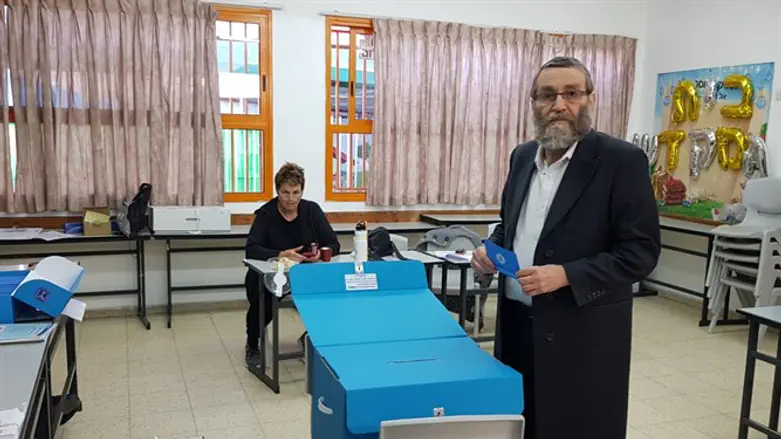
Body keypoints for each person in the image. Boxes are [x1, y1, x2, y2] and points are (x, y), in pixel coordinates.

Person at [471, 57, 661, 439]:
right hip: (517, 326)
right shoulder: (522, 156)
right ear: (533, 103)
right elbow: (511, 226)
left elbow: (641, 252)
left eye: (571, 93)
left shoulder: (620, 161)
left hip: (583, 335)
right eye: (547, 95)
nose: (559, 104)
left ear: (589, 99)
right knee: (522, 426)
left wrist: (567, 275)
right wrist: (490, 250)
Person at [244, 163, 341, 364]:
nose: (290, 198)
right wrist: (281, 254)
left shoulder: (311, 211)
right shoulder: (266, 214)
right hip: (272, 273)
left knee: (332, 297)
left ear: (302, 191)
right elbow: (251, 248)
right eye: (285, 192)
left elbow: (333, 243)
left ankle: (309, 338)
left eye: (295, 192)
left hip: (305, 274)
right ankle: (253, 343)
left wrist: (321, 255)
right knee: (261, 302)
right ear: (277, 191)